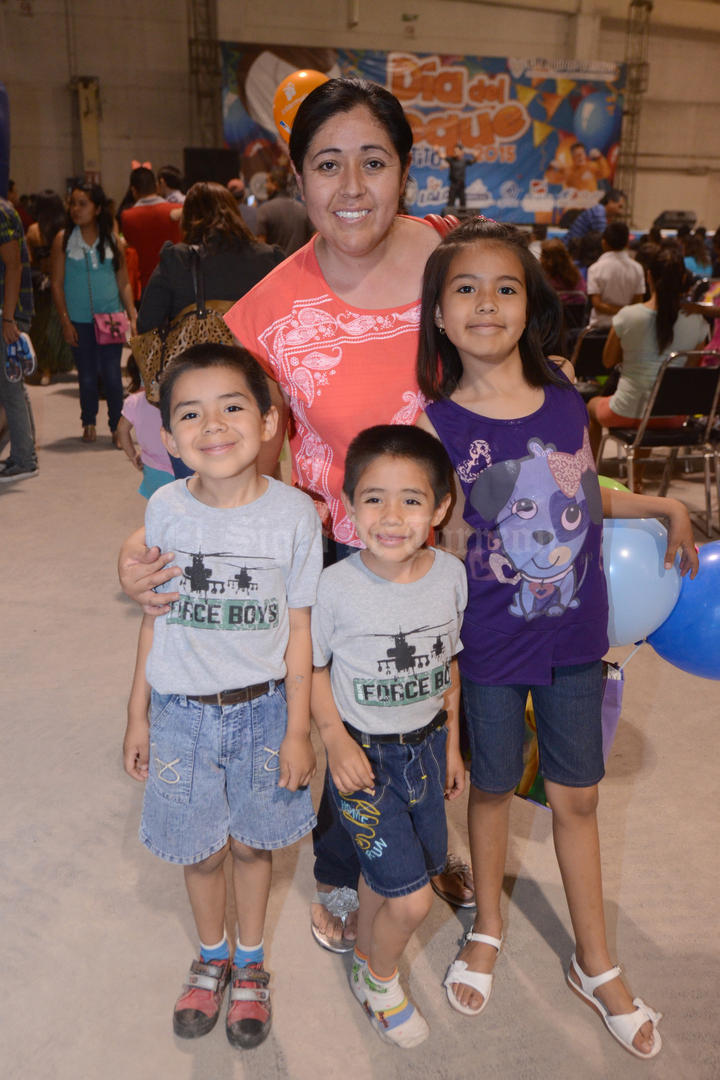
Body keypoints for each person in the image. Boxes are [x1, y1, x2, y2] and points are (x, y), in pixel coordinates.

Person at [118, 77, 475, 954]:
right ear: (299, 178)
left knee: (437, 704)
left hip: (461, 542)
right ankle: (344, 869)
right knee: (339, 720)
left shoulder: (455, 270)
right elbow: (226, 462)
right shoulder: (269, 311)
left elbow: (513, 391)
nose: (351, 186)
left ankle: (425, 844)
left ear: (405, 170)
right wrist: (145, 543)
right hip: (336, 555)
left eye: (373, 162)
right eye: (327, 164)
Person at [415, 218, 699, 1059]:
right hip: (492, 645)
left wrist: (662, 504)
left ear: (529, 305)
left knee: (578, 797)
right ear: (437, 313)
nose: (486, 304)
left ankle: (595, 960)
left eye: (505, 288)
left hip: (578, 637)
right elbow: (435, 540)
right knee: (494, 787)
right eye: (464, 289)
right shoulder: (436, 423)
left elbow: (586, 491)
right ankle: (491, 925)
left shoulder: (569, 401)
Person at [122, 343, 322, 1050]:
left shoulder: (297, 516)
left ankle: (250, 963)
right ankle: (210, 958)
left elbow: (299, 628)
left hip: (265, 709)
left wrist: (298, 729)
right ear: (169, 438)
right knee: (198, 851)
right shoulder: (167, 512)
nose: (213, 424)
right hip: (180, 715)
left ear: (269, 421)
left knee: (250, 843)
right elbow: (155, 618)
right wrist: (136, 714)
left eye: (232, 406)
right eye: (191, 413)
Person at [311, 425, 467, 1047]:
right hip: (364, 762)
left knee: (388, 880)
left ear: (441, 508)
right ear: (349, 507)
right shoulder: (336, 586)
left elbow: (448, 668)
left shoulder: (451, 575)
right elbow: (315, 669)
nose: (392, 516)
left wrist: (452, 746)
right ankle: (381, 980)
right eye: (374, 498)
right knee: (412, 901)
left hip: (427, 750)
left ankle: (362, 966)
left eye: (412, 499)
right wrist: (336, 741)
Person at [587, 244, 708, 465]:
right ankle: (639, 476)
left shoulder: (628, 316)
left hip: (625, 410)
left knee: (591, 407)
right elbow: (690, 370)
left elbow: (607, 361)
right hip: (672, 416)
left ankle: (592, 477)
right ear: (683, 279)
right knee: (652, 409)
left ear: (649, 276)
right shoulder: (697, 321)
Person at [50, 182, 137, 443]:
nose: (76, 209)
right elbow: (56, 283)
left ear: (98, 209)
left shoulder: (113, 240)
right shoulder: (63, 240)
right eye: (73, 203)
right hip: (78, 320)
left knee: (112, 375)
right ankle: (88, 421)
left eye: (83, 203)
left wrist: (132, 313)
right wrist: (65, 321)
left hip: (111, 318)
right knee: (86, 375)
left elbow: (124, 281)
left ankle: (115, 426)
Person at [0, 194, 38, 483]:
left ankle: (24, 459)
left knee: (10, 388)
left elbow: (14, 265)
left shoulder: (0, 212)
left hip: (7, 312)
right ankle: (25, 455)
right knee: (14, 387)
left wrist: (8, 318)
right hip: (8, 312)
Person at [25, 189, 73, 384]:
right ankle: (61, 363)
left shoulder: (34, 230)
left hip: (41, 283)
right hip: (65, 281)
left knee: (41, 326)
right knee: (60, 325)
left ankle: (45, 369)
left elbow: (29, 259)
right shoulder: (67, 230)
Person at [115, 357, 174, 499]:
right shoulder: (177, 399)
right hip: (184, 464)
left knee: (159, 511)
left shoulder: (134, 402)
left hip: (153, 468)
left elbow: (122, 430)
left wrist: (133, 455)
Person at [120, 166, 181, 293]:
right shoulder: (179, 210)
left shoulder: (127, 217)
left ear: (133, 190)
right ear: (156, 186)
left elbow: (130, 245)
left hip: (147, 284)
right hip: (178, 280)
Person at [586, 222, 645, 330]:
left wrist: (618, 310)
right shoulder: (637, 268)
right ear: (627, 243)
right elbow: (638, 303)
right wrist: (626, 311)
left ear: (603, 243)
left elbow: (597, 305)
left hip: (600, 329)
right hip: (628, 328)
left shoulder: (595, 269)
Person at [256, 165, 313, 255]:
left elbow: (260, 246)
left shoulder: (264, 210)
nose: (266, 186)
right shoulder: (303, 209)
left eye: (267, 182)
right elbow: (314, 239)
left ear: (275, 185)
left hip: (274, 267)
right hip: (300, 266)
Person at [545, 142, 610, 193]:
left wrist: (600, 158)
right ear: (572, 157)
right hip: (573, 207)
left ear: (585, 155)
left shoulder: (591, 166)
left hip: (590, 206)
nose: (580, 156)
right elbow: (551, 179)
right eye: (577, 154)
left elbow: (605, 173)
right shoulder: (567, 170)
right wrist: (551, 168)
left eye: (582, 153)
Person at [436, 143, 478, 209]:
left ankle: (464, 219)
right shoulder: (451, 160)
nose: (455, 152)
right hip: (453, 184)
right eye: (454, 151)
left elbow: (473, 161)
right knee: (450, 203)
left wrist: (475, 156)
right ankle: (449, 218)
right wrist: (437, 150)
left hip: (461, 185)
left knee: (463, 203)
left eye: (457, 151)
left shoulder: (464, 161)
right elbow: (442, 156)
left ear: (461, 152)